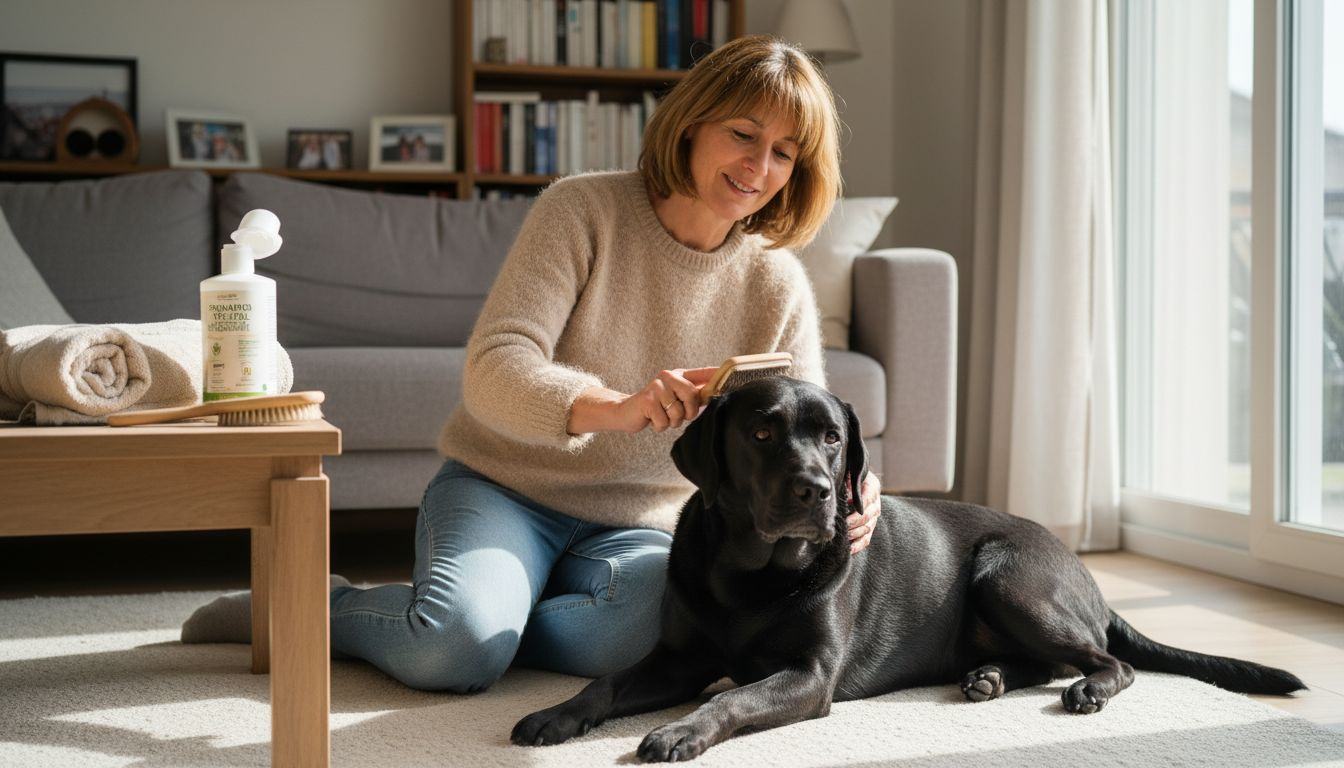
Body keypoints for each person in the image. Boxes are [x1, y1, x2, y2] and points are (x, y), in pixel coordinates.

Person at [181, 34, 883, 693]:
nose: (759, 167)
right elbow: (494, 366)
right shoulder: (582, 211)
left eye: (785, 152)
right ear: (693, 122)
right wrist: (616, 407)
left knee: (647, 643)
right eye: (743, 134)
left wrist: (859, 487)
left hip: (643, 523)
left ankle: (503, 606)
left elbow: (807, 429)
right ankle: (314, 604)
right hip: (505, 490)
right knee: (452, 648)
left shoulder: (776, 279)